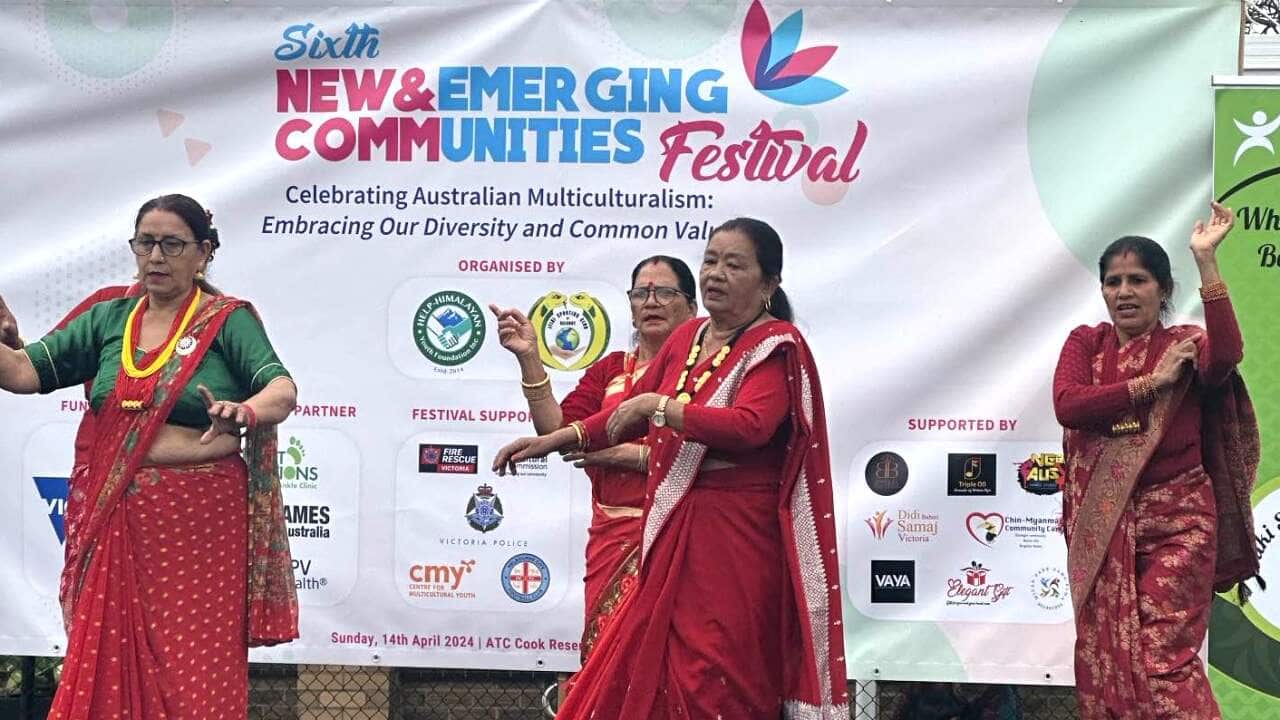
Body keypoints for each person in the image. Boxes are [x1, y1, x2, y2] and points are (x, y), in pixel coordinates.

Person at [493, 218, 846, 719]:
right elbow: (612, 418)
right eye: (711, 260)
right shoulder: (684, 345)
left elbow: (750, 426)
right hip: (667, 534)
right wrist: (549, 442)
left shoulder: (775, 345)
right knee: (655, 666)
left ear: (768, 284)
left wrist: (658, 409)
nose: (717, 272)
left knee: (717, 670)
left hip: (735, 539)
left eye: (734, 264)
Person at [0, 194, 300, 720]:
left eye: (172, 244)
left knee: (193, 666)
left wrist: (245, 413)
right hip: (117, 519)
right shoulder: (108, 315)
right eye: (145, 243)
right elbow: (24, 373)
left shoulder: (228, 320)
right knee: (105, 654)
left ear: (203, 253)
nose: (156, 256)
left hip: (200, 528)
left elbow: (281, 389)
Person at [1054, 202, 1260, 719]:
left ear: (1163, 289)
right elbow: (1069, 404)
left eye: (1138, 280)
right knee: (1106, 656)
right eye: (1113, 281)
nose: (1123, 292)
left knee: (1162, 658)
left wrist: (1207, 261)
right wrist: (1150, 385)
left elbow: (1229, 354)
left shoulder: (1187, 348)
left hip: (1180, 527)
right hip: (1106, 530)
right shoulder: (1086, 344)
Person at [489, 256, 697, 666]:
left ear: (692, 308)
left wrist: (626, 456)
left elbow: (710, 449)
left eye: (665, 292)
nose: (651, 301)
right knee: (609, 658)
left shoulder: (703, 373)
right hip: (612, 537)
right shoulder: (609, 371)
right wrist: (530, 358)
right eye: (641, 292)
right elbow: (561, 430)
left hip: (685, 532)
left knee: (678, 662)